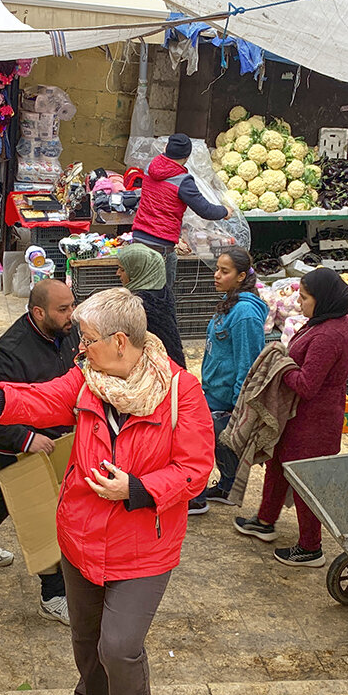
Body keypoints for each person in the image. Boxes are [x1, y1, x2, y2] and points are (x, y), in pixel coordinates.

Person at [0, 287, 214, 695]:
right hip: (81, 533)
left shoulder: (180, 393)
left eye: (87, 338)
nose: (80, 346)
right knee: (85, 636)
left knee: (120, 644)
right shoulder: (87, 378)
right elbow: (39, 398)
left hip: (144, 544)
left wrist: (138, 488)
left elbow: (196, 468)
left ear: (120, 342)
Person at [0, 278, 80, 624]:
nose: (72, 314)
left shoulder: (69, 331)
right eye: (63, 309)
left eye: (72, 305)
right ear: (39, 312)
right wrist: (27, 439)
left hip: (55, 438)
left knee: (10, 489)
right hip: (13, 442)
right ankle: (53, 593)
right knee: (41, 510)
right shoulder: (8, 353)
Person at [234, 268, 348, 568]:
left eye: (304, 298)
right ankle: (265, 520)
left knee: (304, 481)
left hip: (313, 423)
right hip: (298, 419)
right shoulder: (334, 321)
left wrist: (280, 362)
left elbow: (306, 385)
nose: (298, 303)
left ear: (322, 299)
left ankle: (311, 548)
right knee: (277, 465)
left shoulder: (329, 334)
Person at [189, 248, 267, 513]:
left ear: (241, 276)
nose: (217, 275)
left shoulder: (245, 314)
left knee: (197, 443)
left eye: (225, 271)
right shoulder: (230, 302)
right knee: (220, 442)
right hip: (213, 389)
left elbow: (249, 363)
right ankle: (227, 487)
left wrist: (238, 404)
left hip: (225, 396)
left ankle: (196, 497)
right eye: (217, 269)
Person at [131, 133, 233, 290]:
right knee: (162, 299)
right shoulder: (183, 181)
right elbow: (205, 210)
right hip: (160, 246)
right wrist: (225, 211)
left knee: (138, 295)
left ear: (165, 148)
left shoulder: (150, 168)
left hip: (138, 240)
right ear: (187, 157)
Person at [114, 243, 186, 367]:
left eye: (123, 269)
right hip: (173, 362)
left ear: (137, 270)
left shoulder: (138, 305)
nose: (117, 273)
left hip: (155, 369)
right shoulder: (163, 291)